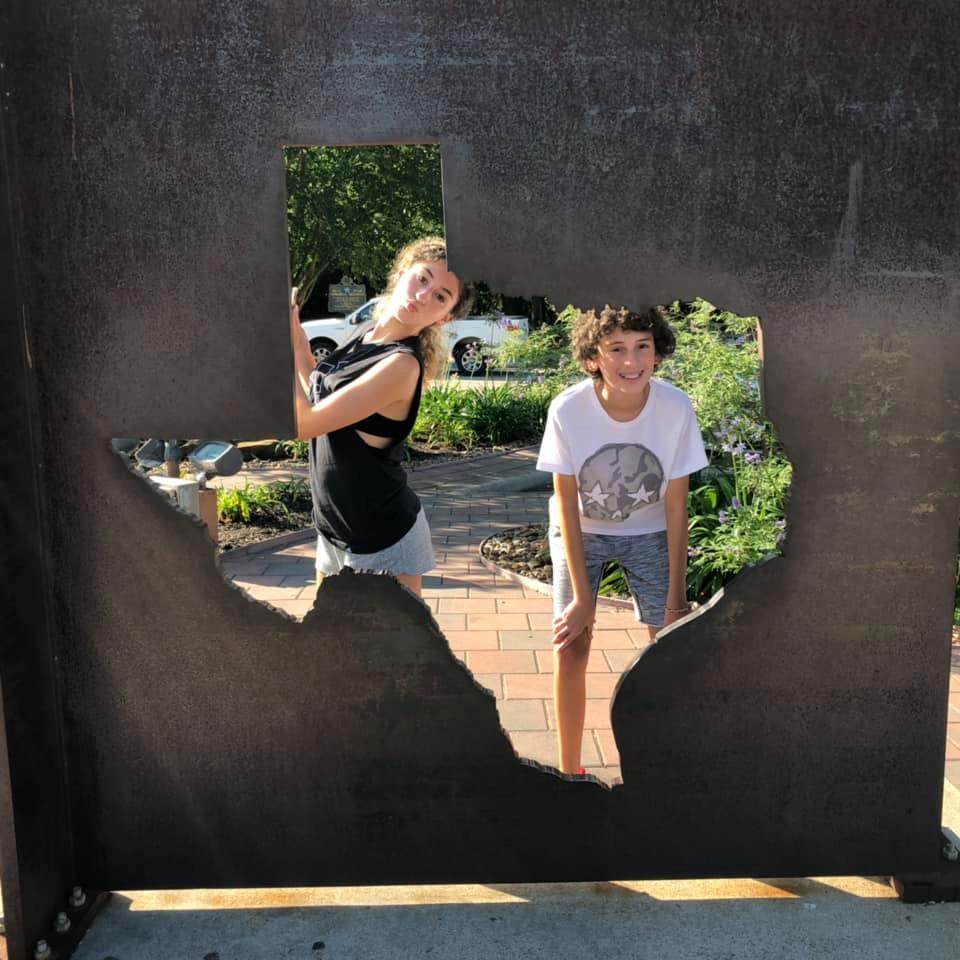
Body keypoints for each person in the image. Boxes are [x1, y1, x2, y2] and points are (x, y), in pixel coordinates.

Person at [536, 304, 708, 774]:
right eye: (616, 349)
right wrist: (583, 599)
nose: (631, 361)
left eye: (642, 347)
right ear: (594, 357)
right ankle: (570, 772)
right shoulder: (568, 409)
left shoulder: (675, 407)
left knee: (668, 647)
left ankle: (667, 768)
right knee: (571, 645)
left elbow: (677, 506)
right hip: (582, 533)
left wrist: (676, 598)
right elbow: (566, 505)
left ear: (657, 352)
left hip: (649, 531)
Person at [289, 237, 474, 597]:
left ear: (444, 316)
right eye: (422, 279)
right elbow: (315, 389)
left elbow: (304, 424)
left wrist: (279, 350)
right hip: (335, 530)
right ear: (402, 273)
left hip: (382, 539)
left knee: (396, 655)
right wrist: (296, 337)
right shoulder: (366, 335)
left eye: (439, 296)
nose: (423, 295)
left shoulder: (401, 365)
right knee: (329, 649)